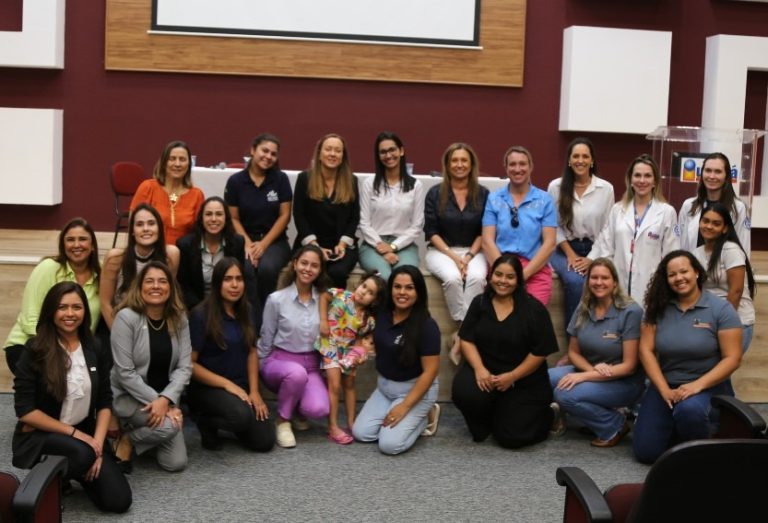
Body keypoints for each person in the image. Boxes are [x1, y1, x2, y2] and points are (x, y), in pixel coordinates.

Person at [12, 282, 131, 513]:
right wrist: (78, 438)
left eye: (76, 307)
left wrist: (96, 445)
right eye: (62, 307)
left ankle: (72, 468)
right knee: (82, 453)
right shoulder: (35, 349)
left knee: (118, 501)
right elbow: (26, 411)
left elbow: (105, 402)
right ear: (51, 311)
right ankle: (52, 477)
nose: (69, 314)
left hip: (85, 436)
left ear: (85, 311)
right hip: (42, 436)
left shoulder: (95, 346)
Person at [632, 250, 742, 464]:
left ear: (697, 273)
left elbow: (733, 358)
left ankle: (701, 452)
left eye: (684, 271)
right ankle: (680, 432)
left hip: (708, 385)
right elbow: (645, 350)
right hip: (667, 385)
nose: (679, 278)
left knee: (688, 410)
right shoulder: (656, 307)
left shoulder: (720, 309)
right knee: (646, 452)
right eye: (672, 274)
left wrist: (696, 386)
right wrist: (663, 389)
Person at [451, 254, 557, 449]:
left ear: (518, 280)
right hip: (487, 372)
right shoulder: (479, 303)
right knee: (464, 393)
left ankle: (549, 415)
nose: (503, 281)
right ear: (491, 276)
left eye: (510, 277)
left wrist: (513, 376)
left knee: (512, 438)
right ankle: (496, 414)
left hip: (524, 379)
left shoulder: (534, 309)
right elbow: (466, 339)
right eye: (498, 275)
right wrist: (479, 369)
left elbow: (540, 352)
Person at [548, 258, 644, 447]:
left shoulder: (631, 311)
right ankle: (585, 418)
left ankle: (614, 425)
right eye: (594, 277)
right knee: (547, 377)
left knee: (565, 395)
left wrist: (584, 377)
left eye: (605, 278)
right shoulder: (584, 307)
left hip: (623, 380)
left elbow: (630, 366)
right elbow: (573, 353)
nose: (599, 282)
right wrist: (591, 371)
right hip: (593, 370)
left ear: (614, 282)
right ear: (588, 280)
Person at [110, 261, 192, 472]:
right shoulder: (126, 318)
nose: (156, 286)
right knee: (170, 426)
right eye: (149, 281)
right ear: (140, 287)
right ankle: (127, 439)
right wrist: (156, 401)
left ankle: (135, 433)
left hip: (165, 399)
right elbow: (124, 373)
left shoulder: (179, 318)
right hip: (130, 398)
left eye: (162, 281)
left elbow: (185, 368)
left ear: (170, 288)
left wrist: (166, 400)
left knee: (175, 463)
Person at [188, 258, 275, 452]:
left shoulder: (248, 311)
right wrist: (228, 385)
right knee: (241, 416)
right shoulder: (200, 314)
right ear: (218, 283)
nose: (234, 285)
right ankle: (206, 422)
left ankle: (234, 419)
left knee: (264, 441)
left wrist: (254, 391)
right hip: (208, 388)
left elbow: (252, 352)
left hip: (240, 387)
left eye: (239, 279)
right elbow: (190, 365)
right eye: (228, 279)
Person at [352, 266, 440, 455]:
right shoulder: (382, 313)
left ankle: (426, 416)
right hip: (384, 388)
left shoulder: (427, 326)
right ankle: (400, 416)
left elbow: (430, 372)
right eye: (397, 287)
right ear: (390, 289)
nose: (402, 292)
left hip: (414, 389)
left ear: (418, 291)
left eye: (409, 288)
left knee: (389, 445)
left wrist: (405, 406)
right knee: (361, 433)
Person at [4, 218, 101, 375]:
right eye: (70, 240)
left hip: (76, 350)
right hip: (31, 346)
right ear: (63, 245)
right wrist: (62, 346)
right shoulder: (48, 268)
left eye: (82, 239)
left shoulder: (101, 274)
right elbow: (30, 319)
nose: (76, 245)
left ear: (92, 246)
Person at [257, 245, 331, 448]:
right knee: (296, 374)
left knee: (319, 409)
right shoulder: (276, 299)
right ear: (295, 264)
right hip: (279, 363)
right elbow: (266, 336)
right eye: (304, 263)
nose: (308, 269)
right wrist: (260, 369)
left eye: (314, 265)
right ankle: (282, 420)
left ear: (320, 270)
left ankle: (296, 405)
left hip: (311, 365)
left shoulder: (324, 300)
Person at [423, 143, 489, 364]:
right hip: (441, 251)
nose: (459, 165)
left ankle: (459, 338)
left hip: (474, 250)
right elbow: (431, 232)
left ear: (471, 165)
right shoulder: (434, 193)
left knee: (478, 278)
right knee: (452, 278)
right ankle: (465, 333)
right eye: (455, 161)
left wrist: (468, 257)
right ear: (447, 165)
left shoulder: (483, 194)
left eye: (464, 161)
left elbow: (485, 231)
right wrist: (454, 258)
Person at [587, 154, 679, 300]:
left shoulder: (667, 212)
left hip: (651, 287)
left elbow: (672, 254)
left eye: (647, 176)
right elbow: (606, 248)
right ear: (630, 180)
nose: (642, 181)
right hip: (618, 286)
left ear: (655, 181)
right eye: (637, 175)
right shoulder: (617, 210)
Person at [547, 138, 614, 330]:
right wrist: (571, 255)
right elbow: (553, 226)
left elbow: (607, 228)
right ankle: (574, 341)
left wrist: (592, 258)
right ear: (569, 160)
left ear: (592, 161)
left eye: (585, 156)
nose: (580, 160)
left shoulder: (606, 189)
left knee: (603, 280)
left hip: (595, 248)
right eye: (576, 156)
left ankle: (600, 337)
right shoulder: (556, 187)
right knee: (576, 282)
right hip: (563, 249)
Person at [316, 272, 386, 444]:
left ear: (375, 300)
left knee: (349, 384)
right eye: (364, 287)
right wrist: (323, 320)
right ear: (359, 284)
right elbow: (323, 297)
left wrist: (360, 354)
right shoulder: (340, 294)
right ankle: (332, 426)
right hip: (329, 344)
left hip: (348, 350)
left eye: (370, 292)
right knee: (334, 384)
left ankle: (351, 422)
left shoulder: (368, 320)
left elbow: (361, 340)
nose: (363, 292)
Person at [225, 133, 293, 311]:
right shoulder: (236, 181)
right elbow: (233, 218)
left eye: (273, 154)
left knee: (267, 270)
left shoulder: (281, 180)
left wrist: (263, 245)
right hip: (243, 240)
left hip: (274, 241)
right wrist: (247, 245)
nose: (268, 157)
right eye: (264, 151)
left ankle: (265, 318)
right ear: (253, 150)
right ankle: (245, 317)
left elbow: (284, 216)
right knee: (245, 269)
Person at [482, 146, 557, 306]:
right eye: (512, 164)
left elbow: (549, 243)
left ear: (531, 167)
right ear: (506, 167)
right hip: (500, 266)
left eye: (522, 164)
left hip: (534, 269)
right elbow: (487, 241)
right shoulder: (494, 199)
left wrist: (521, 275)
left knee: (531, 320)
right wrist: (504, 273)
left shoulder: (545, 200)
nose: (517, 169)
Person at [293, 133, 360, 289]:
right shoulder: (304, 178)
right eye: (328, 149)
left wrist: (343, 244)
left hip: (341, 245)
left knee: (337, 272)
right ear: (319, 154)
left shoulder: (352, 181)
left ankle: (335, 313)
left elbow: (354, 217)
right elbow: (299, 215)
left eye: (338, 150)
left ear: (343, 156)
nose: (332, 154)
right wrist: (314, 246)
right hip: (311, 242)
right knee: (309, 268)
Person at [101, 203, 180, 329]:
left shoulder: (171, 255)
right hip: (120, 324)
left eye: (151, 223)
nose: (145, 228)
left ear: (159, 229)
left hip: (155, 324)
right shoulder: (115, 258)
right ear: (132, 231)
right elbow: (105, 303)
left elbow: (167, 298)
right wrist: (119, 335)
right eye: (139, 224)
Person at [358, 131, 424, 280]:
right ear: (378, 156)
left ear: (401, 151)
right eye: (383, 152)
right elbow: (364, 223)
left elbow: (416, 226)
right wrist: (384, 249)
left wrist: (394, 247)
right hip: (373, 245)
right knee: (386, 278)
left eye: (392, 150)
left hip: (404, 246)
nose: (388, 156)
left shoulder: (415, 185)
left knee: (405, 278)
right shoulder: (370, 183)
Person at [693, 203, 755, 353]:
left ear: (725, 228)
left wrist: (723, 322)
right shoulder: (696, 253)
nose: (708, 226)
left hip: (736, 320)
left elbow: (736, 291)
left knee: (721, 369)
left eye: (716, 223)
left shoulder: (730, 250)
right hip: (708, 321)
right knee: (710, 370)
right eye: (705, 221)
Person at [176, 196, 248, 311]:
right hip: (196, 308)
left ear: (226, 219)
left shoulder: (237, 242)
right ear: (201, 218)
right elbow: (184, 287)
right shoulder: (185, 245)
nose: (213, 219)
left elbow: (240, 280)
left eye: (219, 214)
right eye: (208, 214)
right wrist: (200, 310)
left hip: (228, 307)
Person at [130, 140, 205, 245]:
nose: (177, 164)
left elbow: (200, 231)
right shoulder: (148, 187)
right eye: (172, 159)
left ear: (189, 164)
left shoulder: (197, 195)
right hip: (151, 251)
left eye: (182, 159)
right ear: (164, 163)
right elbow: (133, 225)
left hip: (183, 254)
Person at [678, 152, 751, 255]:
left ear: (726, 176)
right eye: (708, 170)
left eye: (718, 171)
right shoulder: (688, 205)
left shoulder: (738, 208)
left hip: (723, 269)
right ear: (702, 173)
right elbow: (680, 243)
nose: (712, 176)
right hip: (694, 267)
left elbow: (744, 247)